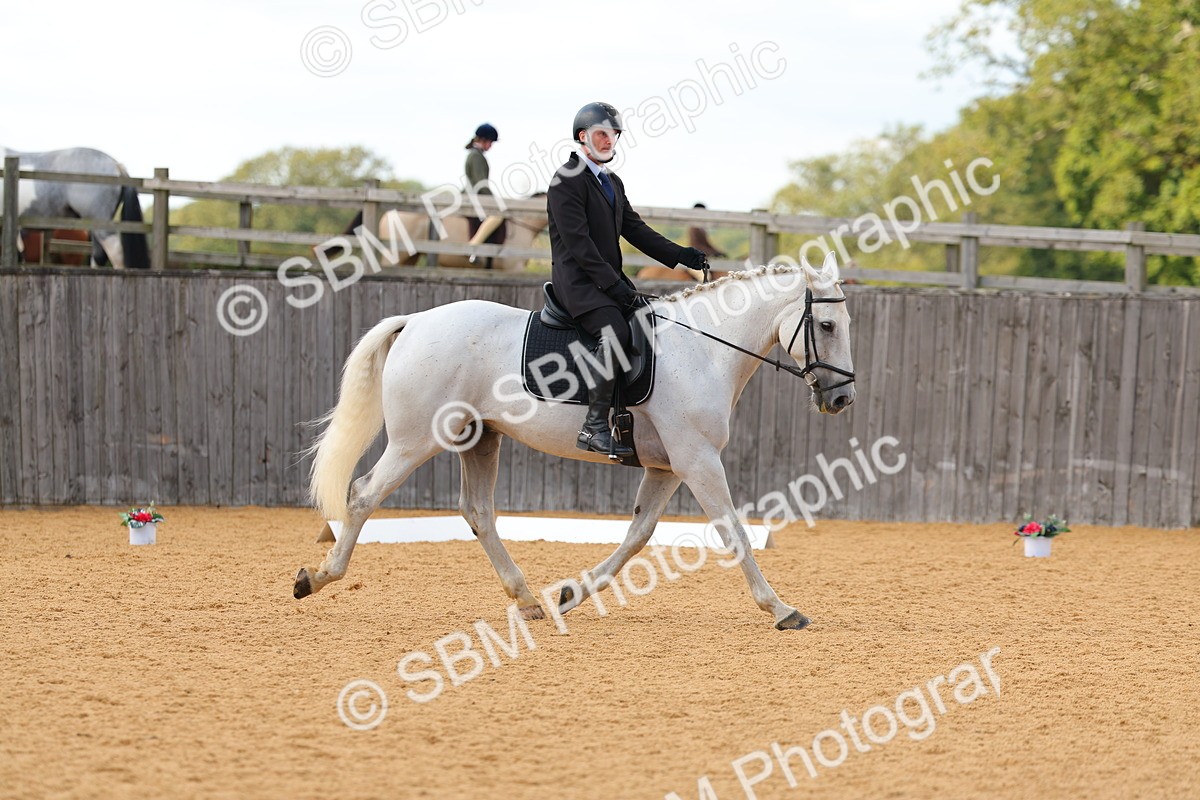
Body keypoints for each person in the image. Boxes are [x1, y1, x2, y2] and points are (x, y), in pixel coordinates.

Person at [547, 101, 709, 458]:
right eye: (602, 134)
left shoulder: (612, 182)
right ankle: (593, 426)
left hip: (603, 281)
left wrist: (680, 254)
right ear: (582, 137)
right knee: (617, 334)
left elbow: (635, 230)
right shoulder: (566, 180)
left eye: (614, 134)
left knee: (651, 324)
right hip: (577, 283)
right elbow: (579, 245)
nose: (609, 141)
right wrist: (614, 286)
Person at [464, 123, 505, 261]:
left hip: (474, 195)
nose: (491, 146)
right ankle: (473, 247)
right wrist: (494, 200)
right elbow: (481, 183)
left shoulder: (476, 154)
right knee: (497, 215)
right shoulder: (476, 156)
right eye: (491, 142)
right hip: (474, 196)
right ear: (484, 140)